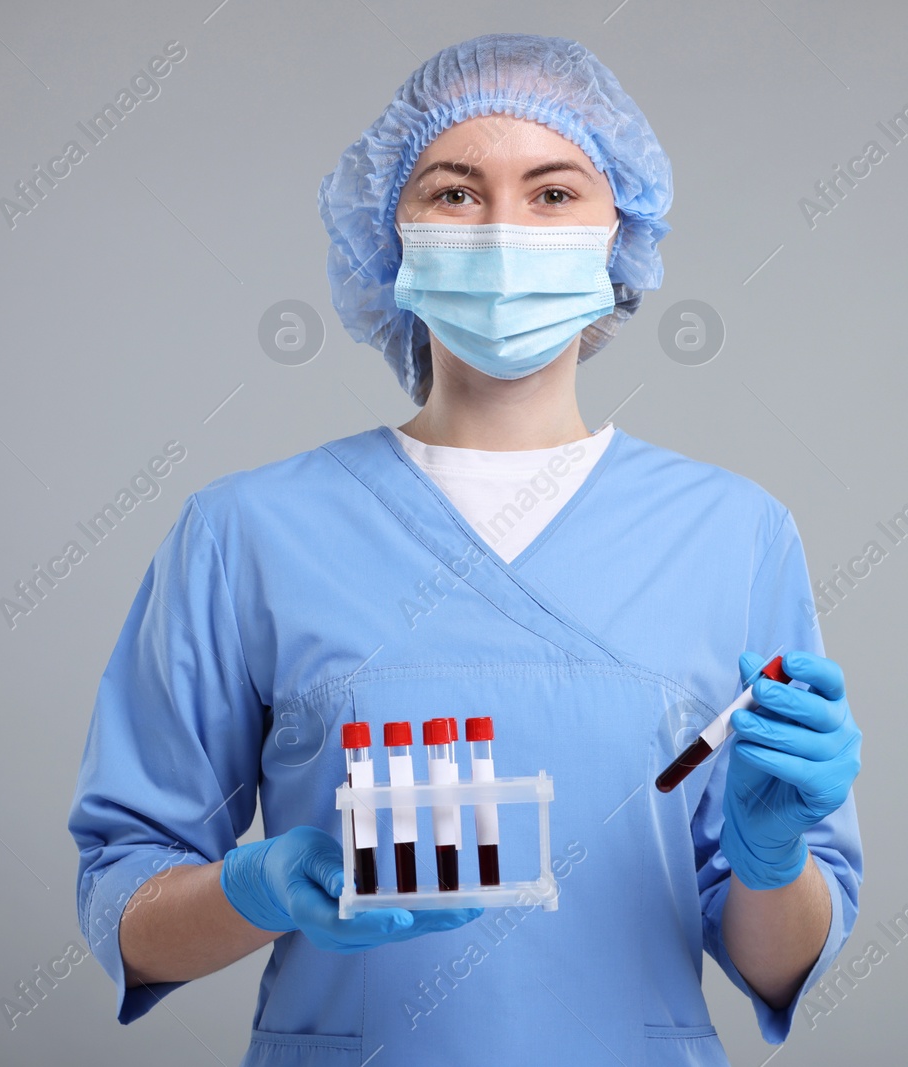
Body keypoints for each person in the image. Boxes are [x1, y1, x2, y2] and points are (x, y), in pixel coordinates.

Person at [68, 33, 863, 1065]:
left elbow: (775, 962)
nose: (501, 231)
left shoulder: (734, 532)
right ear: (387, 231)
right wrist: (255, 886)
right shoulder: (246, 532)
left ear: (618, 230)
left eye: (552, 193)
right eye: (452, 192)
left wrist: (767, 857)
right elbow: (124, 903)